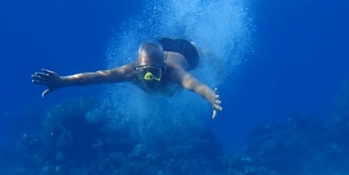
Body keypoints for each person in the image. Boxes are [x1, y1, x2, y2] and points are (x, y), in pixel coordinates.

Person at [31, 38, 222, 119]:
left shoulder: (174, 72)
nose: (148, 78)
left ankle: (204, 50)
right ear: (136, 68)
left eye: (154, 73)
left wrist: (209, 97)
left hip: (184, 51)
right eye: (143, 72)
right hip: (157, 47)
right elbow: (96, 76)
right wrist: (62, 81)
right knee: (155, 47)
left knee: (201, 55)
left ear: (163, 69)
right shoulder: (130, 71)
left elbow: (194, 84)